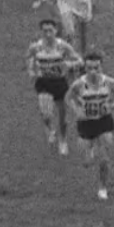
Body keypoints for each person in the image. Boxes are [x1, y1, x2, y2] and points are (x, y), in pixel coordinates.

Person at [64, 51, 114, 200]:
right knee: (86, 162)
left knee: (104, 157)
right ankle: (89, 149)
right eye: (89, 68)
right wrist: (77, 110)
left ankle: (103, 188)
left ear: (102, 67)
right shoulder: (79, 84)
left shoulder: (109, 82)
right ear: (85, 68)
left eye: (96, 68)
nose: (93, 71)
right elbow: (68, 98)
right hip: (86, 122)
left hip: (103, 121)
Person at [26, 19, 83, 156]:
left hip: (59, 83)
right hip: (43, 82)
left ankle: (63, 141)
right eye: (44, 31)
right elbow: (29, 57)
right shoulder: (36, 47)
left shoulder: (62, 46)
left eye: (50, 30)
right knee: (45, 114)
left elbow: (79, 60)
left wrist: (69, 65)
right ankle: (51, 129)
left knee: (62, 117)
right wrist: (31, 70)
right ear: (41, 32)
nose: (47, 34)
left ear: (56, 31)